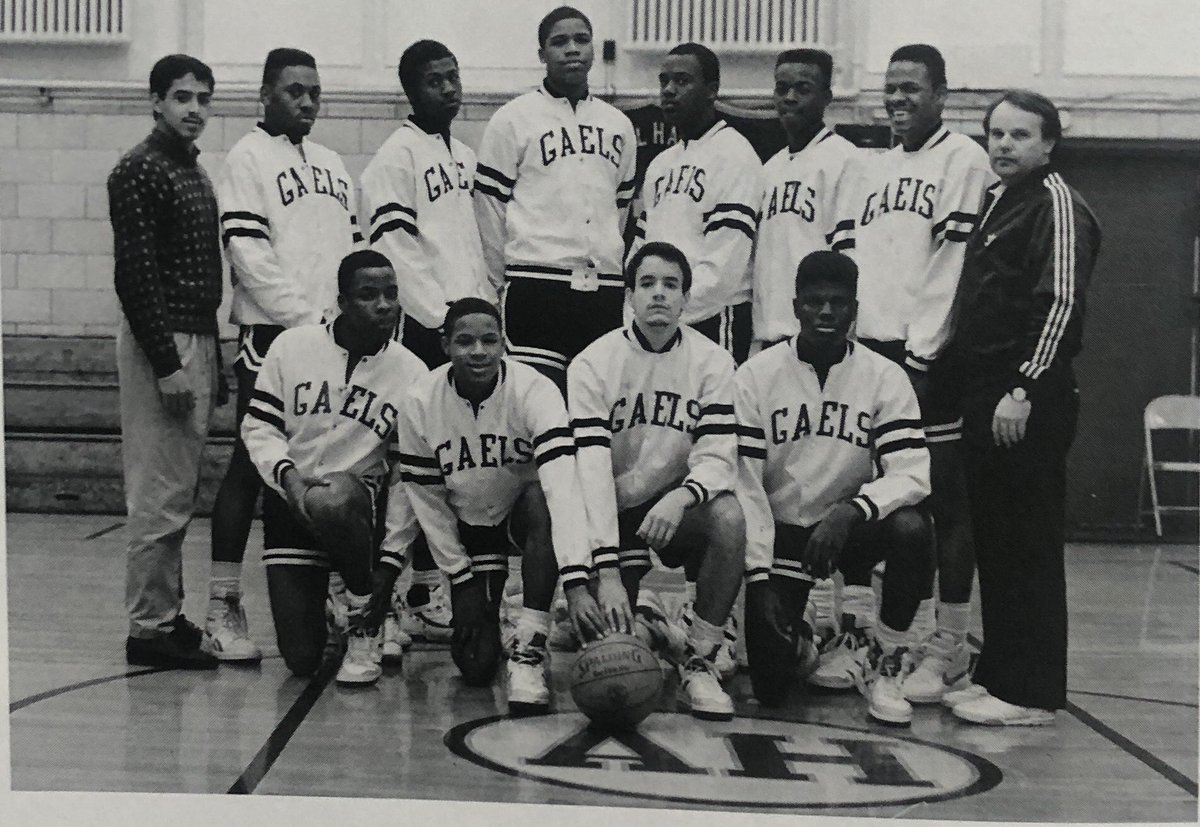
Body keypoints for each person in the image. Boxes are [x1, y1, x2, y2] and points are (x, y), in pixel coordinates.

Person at [835, 44, 993, 702]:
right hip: (872, 353)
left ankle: (950, 642)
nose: (898, 99)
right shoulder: (872, 166)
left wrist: (923, 354)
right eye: (890, 88)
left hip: (929, 358)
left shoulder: (964, 160)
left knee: (944, 503)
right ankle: (866, 635)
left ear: (942, 93)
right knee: (873, 498)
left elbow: (949, 269)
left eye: (912, 89)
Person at [941, 90, 1101, 726]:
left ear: (1049, 144)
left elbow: (1059, 303)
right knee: (999, 540)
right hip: (987, 395)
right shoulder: (1001, 201)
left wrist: (1023, 388)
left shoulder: (1059, 203)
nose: (1003, 145)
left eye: (1020, 135)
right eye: (996, 134)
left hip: (1025, 398)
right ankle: (1002, 676)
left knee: (1028, 543)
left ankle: (1033, 693)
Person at [207, 48, 363, 662]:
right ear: (266, 94)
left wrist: (344, 324)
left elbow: (354, 250)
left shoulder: (331, 162)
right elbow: (248, 252)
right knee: (253, 464)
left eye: (314, 92)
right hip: (274, 336)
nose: (306, 101)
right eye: (294, 90)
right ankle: (223, 603)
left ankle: (325, 595)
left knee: (324, 462)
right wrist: (307, 319)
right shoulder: (246, 158)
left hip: (332, 338)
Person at [736, 251, 934, 724]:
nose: (826, 312)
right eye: (815, 302)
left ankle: (885, 660)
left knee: (912, 528)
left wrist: (852, 511)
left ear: (854, 310)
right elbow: (744, 485)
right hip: (784, 534)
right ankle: (807, 634)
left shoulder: (885, 376)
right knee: (771, 687)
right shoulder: (755, 377)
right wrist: (759, 576)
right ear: (795, 306)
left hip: (849, 531)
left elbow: (913, 472)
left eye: (838, 303)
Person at [396, 298, 605, 715]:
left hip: (521, 515)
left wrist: (577, 580)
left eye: (490, 340)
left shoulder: (536, 391)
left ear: (504, 342)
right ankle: (502, 609)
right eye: (465, 341)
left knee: (541, 497)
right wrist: (459, 577)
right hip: (468, 521)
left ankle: (530, 638)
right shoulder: (420, 400)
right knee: (475, 666)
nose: (478, 352)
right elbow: (428, 504)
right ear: (444, 345)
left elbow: (563, 487)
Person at [360, 39, 498, 653]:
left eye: (453, 75)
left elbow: (482, 247)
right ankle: (385, 597)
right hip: (426, 330)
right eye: (434, 80)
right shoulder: (395, 158)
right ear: (410, 90)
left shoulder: (465, 155)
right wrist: (445, 326)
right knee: (410, 467)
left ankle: (423, 592)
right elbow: (398, 250)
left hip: (468, 329)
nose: (449, 88)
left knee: (452, 466)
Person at [569, 241, 745, 721]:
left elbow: (718, 456)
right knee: (613, 650)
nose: (659, 295)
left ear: (687, 298)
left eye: (671, 285)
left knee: (729, 515)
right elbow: (589, 471)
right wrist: (604, 571)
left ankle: (701, 655)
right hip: (614, 513)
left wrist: (684, 496)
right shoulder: (591, 363)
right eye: (647, 284)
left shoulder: (714, 363)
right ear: (628, 295)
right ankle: (653, 626)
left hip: (676, 510)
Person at [240, 250, 427, 686]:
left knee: (334, 497)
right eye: (368, 295)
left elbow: (406, 478)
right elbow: (259, 427)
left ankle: (364, 616)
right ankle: (330, 598)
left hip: (357, 507)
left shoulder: (413, 372)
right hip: (291, 504)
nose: (384, 304)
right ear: (342, 301)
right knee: (301, 660)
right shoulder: (291, 347)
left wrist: (390, 562)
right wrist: (288, 478)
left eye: (391, 294)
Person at [110, 53, 223, 670]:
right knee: (157, 490)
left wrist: (213, 362)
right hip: (164, 343)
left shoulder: (193, 172)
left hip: (194, 340)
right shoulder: (138, 170)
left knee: (178, 489)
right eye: (182, 97)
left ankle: (166, 615)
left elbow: (202, 277)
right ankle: (147, 629)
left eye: (204, 99)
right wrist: (168, 363)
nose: (194, 110)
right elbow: (137, 275)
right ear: (156, 101)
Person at [474, 5, 637, 394]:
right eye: (559, 42)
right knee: (537, 405)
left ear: (594, 50)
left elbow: (622, 209)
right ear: (542, 54)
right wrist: (501, 282)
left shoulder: (619, 124)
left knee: (596, 407)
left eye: (581, 40)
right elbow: (488, 211)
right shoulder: (512, 119)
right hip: (536, 286)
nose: (572, 50)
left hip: (603, 291)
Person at [633, 43, 762, 365]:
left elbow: (725, 264)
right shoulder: (660, 164)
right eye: (664, 81)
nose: (669, 91)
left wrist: (668, 311)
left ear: (711, 90)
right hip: (661, 318)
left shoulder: (735, 154)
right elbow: (640, 249)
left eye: (682, 81)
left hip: (715, 319)